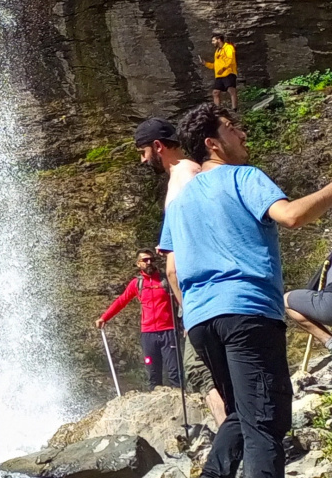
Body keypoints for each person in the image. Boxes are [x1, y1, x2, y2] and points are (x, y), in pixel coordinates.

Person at [161, 103, 332, 478]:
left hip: (202, 322)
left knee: (240, 413)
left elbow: (172, 266)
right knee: (265, 424)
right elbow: (292, 216)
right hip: (247, 312)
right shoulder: (243, 177)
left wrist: (191, 311)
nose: (241, 133)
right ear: (213, 143)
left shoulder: (180, 203)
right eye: (231, 128)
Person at [134, 117, 226, 424]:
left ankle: (235, 439)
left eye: (143, 150)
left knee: (199, 370)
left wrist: (187, 309)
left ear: (158, 146)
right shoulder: (186, 173)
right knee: (208, 370)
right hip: (207, 292)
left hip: (204, 294)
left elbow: (181, 253)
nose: (142, 158)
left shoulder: (185, 174)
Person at [95, 249, 181, 388]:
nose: (149, 262)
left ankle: (181, 403)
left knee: (174, 372)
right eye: (145, 260)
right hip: (148, 334)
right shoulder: (137, 283)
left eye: (151, 260)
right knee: (153, 374)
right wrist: (104, 318)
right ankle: (155, 404)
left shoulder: (166, 280)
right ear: (138, 264)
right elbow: (121, 301)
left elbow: (181, 299)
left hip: (169, 331)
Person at [201, 34, 239, 111]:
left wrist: (224, 68)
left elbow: (230, 59)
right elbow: (216, 65)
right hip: (219, 75)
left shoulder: (228, 47)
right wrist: (206, 64)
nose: (212, 42)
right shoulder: (217, 51)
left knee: (231, 90)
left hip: (228, 72)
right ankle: (217, 110)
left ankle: (234, 108)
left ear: (219, 40)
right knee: (215, 92)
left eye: (213, 40)